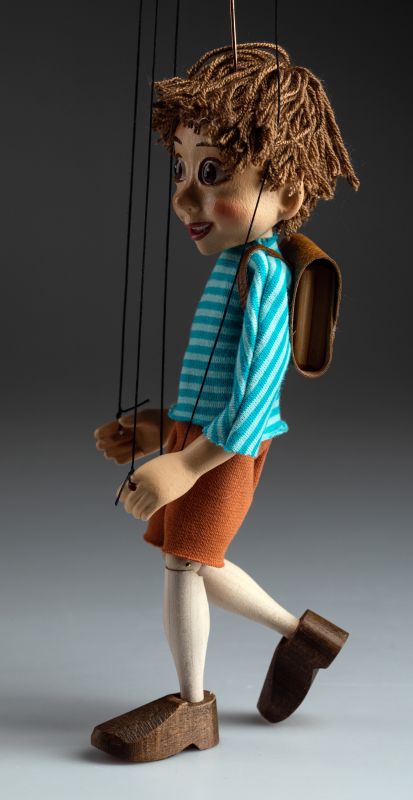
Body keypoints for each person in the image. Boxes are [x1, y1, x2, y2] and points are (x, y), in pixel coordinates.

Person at [92, 43, 359, 762]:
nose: (185, 198)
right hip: (200, 436)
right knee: (198, 562)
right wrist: (159, 430)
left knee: (185, 565)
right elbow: (216, 385)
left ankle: (190, 710)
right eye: (180, 170)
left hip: (224, 448)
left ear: (288, 195)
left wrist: (186, 464)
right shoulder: (235, 269)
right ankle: (302, 637)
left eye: (212, 174)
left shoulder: (262, 276)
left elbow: (253, 396)